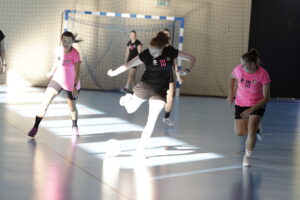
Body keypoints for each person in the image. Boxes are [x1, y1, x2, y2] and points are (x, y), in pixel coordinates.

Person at [107, 31, 196, 157]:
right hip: (145, 86)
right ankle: (127, 98)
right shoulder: (147, 53)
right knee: (130, 109)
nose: (152, 52)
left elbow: (192, 58)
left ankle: (140, 149)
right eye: (151, 49)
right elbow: (128, 65)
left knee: (151, 121)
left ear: (163, 48)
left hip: (160, 91)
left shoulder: (170, 51)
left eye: (155, 51)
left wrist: (188, 69)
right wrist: (114, 73)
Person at [28, 31, 82, 137]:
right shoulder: (58, 50)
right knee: (44, 103)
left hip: (71, 84)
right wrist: (52, 72)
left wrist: (75, 87)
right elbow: (56, 62)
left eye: (69, 41)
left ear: (72, 42)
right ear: (61, 40)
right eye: (64, 40)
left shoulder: (75, 54)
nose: (66, 43)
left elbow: (77, 72)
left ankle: (74, 126)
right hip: (57, 80)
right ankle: (35, 127)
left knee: (72, 108)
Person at [227, 48, 271, 167]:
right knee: (240, 132)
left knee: (250, 131)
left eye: (244, 65)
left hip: (257, 103)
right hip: (241, 102)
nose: (242, 67)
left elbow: (267, 98)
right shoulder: (239, 69)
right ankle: (257, 129)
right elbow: (231, 77)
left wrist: (251, 109)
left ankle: (247, 157)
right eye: (241, 65)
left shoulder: (263, 74)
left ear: (253, 64)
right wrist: (231, 94)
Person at [162, 29, 184, 126]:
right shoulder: (157, 48)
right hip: (157, 75)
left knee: (170, 97)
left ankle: (166, 118)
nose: (166, 36)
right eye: (164, 34)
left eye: (168, 34)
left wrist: (178, 77)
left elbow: (174, 65)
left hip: (169, 75)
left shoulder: (171, 50)